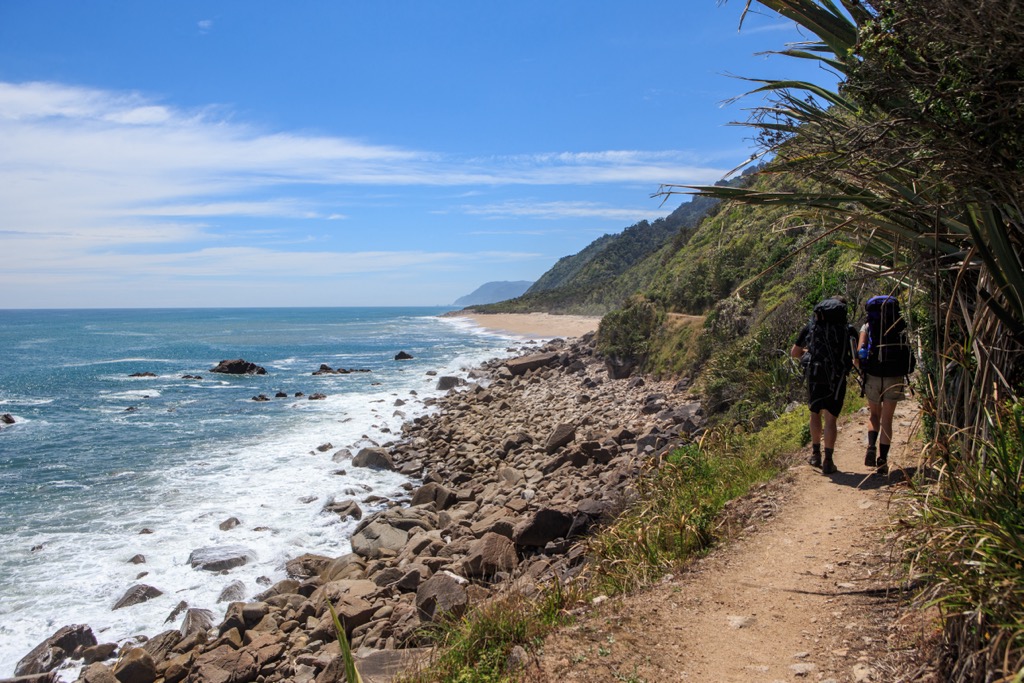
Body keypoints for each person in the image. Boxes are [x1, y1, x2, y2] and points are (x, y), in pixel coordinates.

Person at [791, 296, 857, 475]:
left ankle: (815, 454)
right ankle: (829, 460)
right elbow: (855, 357)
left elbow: (794, 353)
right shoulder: (848, 329)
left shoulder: (811, 327)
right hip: (836, 378)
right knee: (830, 419)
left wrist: (810, 351)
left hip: (815, 374)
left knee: (815, 414)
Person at [856, 296, 914, 472]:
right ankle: (882, 460)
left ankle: (871, 445)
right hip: (894, 376)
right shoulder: (900, 325)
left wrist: (863, 370)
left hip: (873, 375)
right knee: (887, 420)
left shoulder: (867, 326)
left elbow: (860, 352)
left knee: (874, 415)